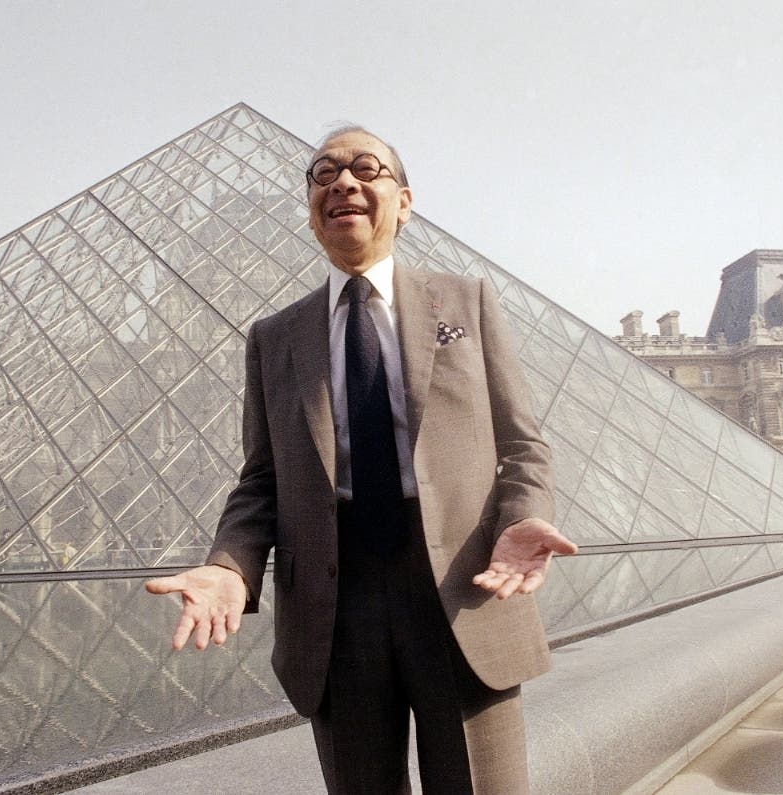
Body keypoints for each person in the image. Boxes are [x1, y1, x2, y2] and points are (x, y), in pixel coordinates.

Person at [146, 126, 577, 794]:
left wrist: (522, 517)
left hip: (463, 589)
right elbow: (260, 481)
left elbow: (523, 444)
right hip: (333, 606)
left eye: (365, 169)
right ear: (312, 208)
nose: (342, 182)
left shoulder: (469, 300)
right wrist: (232, 566)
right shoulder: (272, 338)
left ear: (402, 201)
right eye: (323, 173)